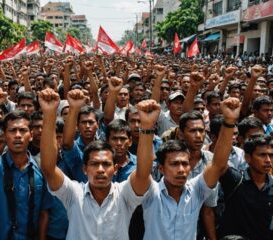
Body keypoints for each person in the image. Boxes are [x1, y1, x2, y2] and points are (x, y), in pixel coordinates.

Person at [39, 88, 144, 239]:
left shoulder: (123, 195)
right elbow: (49, 168)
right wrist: (49, 115)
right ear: (85, 168)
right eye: (94, 164)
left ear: (115, 169)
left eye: (106, 164)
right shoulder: (74, 194)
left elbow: (143, 173)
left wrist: (146, 128)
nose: (100, 170)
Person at [140, 97, 240, 239]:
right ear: (161, 169)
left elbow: (218, 164)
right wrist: (146, 126)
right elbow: (142, 172)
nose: (181, 170)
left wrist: (229, 121)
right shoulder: (151, 193)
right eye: (174, 164)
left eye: (185, 164)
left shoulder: (196, 191)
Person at [0, 87, 52, 240]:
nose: (17, 135)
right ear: (5, 135)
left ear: (31, 136)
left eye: (22, 130)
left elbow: (44, 212)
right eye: (12, 130)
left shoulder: (41, 168)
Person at [218, 135, 273, 240]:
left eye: (271, 155)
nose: (268, 160)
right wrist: (229, 123)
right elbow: (219, 163)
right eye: (262, 155)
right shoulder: (235, 180)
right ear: (248, 157)